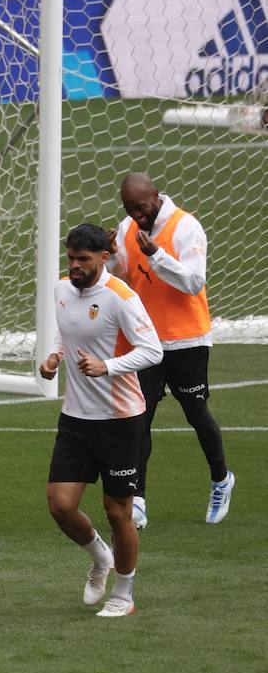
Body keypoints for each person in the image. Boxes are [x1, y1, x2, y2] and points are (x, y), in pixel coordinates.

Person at [40, 223, 163, 617]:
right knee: (60, 505)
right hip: (75, 417)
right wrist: (55, 357)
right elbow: (68, 333)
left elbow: (153, 351)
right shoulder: (62, 290)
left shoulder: (121, 298)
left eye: (83, 259)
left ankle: (124, 595)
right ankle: (100, 557)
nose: (74, 266)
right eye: (71, 258)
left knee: (117, 511)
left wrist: (107, 366)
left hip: (120, 419)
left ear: (103, 259)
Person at [108, 173, 235, 527]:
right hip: (146, 341)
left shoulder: (186, 227)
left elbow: (194, 281)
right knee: (139, 420)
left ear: (156, 196)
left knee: (196, 413)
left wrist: (157, 255)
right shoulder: (127, 227)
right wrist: (112, 255)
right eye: (130, 210)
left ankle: (221, 479)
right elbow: (122, 276)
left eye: (142, 208)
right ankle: (137, 500)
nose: (137, 216)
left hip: (186, 338)